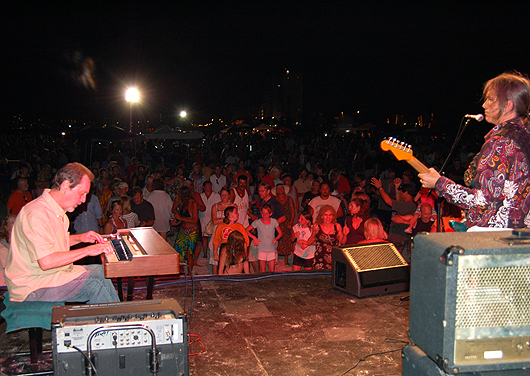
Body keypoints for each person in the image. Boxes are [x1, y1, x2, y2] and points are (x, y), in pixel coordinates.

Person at [419, 71, 530, 230]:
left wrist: (439, 183)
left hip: (494, 237)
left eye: (490, 99)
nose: (484, 104)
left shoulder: (501, 143)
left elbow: (483, 201)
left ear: (508, 105)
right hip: (520, 233)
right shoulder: (524, 136)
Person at [4, 163, 119, 303]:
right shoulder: (36, 213)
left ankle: (116, 318)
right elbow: (46, 261)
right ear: (65, 186)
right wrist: (88, 250)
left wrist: (81, 238)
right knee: (96, 284)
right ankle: (113, 323)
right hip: (32, 285)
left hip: (49, 274)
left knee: (101, 272)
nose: (83, 200)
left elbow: (54, 242)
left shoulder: (56, 211)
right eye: (82, 193)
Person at [246, 205, 282, 273]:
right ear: (260, 213)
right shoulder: (257, 222)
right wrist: (254, 238)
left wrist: (276, 239)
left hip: (271, 249)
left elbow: (280, 233)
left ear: (270, 214)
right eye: (263, 213)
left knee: (271, 270)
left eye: (266, 213)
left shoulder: (274, 222)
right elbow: (246, 230)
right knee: (262, 270)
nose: (264, 215)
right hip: (261, 249)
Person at [212, 207, 249, 271]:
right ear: (230, 214)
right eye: (236, 212)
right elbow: (216, 240)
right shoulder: (221, 226)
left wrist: (244, 255)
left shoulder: (240, 226)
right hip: (225, 250)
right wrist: (215, 253)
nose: (238, 214)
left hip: (237, 249)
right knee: (223, 269)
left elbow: (245, 241)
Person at [172, 185, 200, 269]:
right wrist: (177, 220)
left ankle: (190, 275)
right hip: (182, 230)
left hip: (192, 231)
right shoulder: (181, 203)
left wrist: (181, 218)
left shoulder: (193, 203)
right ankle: (180, 271)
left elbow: (195, 220)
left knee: (189, 254)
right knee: (178, 251)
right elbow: (174, 209)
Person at [313, 205, 346, 269]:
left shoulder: (337, 226)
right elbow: (312, 239)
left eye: (330, 215)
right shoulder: (316, 226)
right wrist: (305, 243)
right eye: (326, 215)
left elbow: (342, 242)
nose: (328, 217)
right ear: (322, 216)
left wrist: (345, 234)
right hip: (320, 258)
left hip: (334, 258)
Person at [273, 184, 296, 265]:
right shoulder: (274, 199)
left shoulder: (289, 199)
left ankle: (286, 261)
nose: (280, 190)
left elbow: (293, 212)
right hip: (277, 222)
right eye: (278, 189)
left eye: (281, 188)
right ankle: (275, 259)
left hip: (286, 223)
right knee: (277, 241)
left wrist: (291, 222)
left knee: (286, 240)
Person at [0, 215, 16, 287]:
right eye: (12, 222)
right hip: (7, 280)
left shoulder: (22, 239)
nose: (15, 224)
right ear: (6, 226)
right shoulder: (3, 243)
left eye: (16, 221)